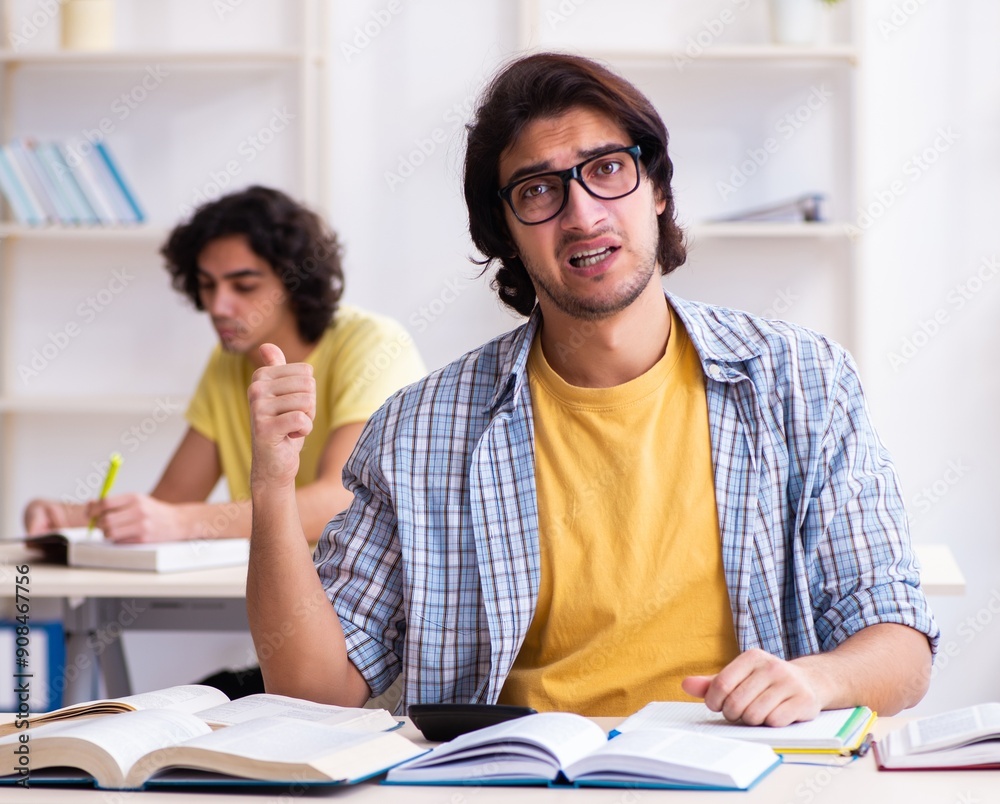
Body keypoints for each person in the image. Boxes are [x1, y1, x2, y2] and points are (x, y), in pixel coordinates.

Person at [246, 54, 938, 724]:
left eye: (607, 169)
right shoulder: (422, 428)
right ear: (508, 233)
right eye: (539, 190)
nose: (582, 214)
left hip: (742, 774)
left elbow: (900, 646)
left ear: (658, 190)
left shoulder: (801, 381)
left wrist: (818, 679)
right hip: (515, 782)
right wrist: (272, 488)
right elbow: (314, 690)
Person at [23, 185, 425, 546]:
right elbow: (171, 503)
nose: (218, 306)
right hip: (280, 586)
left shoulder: (372, 344)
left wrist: (182, 523)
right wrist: (70, 518)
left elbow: (342, 501)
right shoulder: (228, 362)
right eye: (208, 284)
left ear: (293, 282)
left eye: (244, 286)